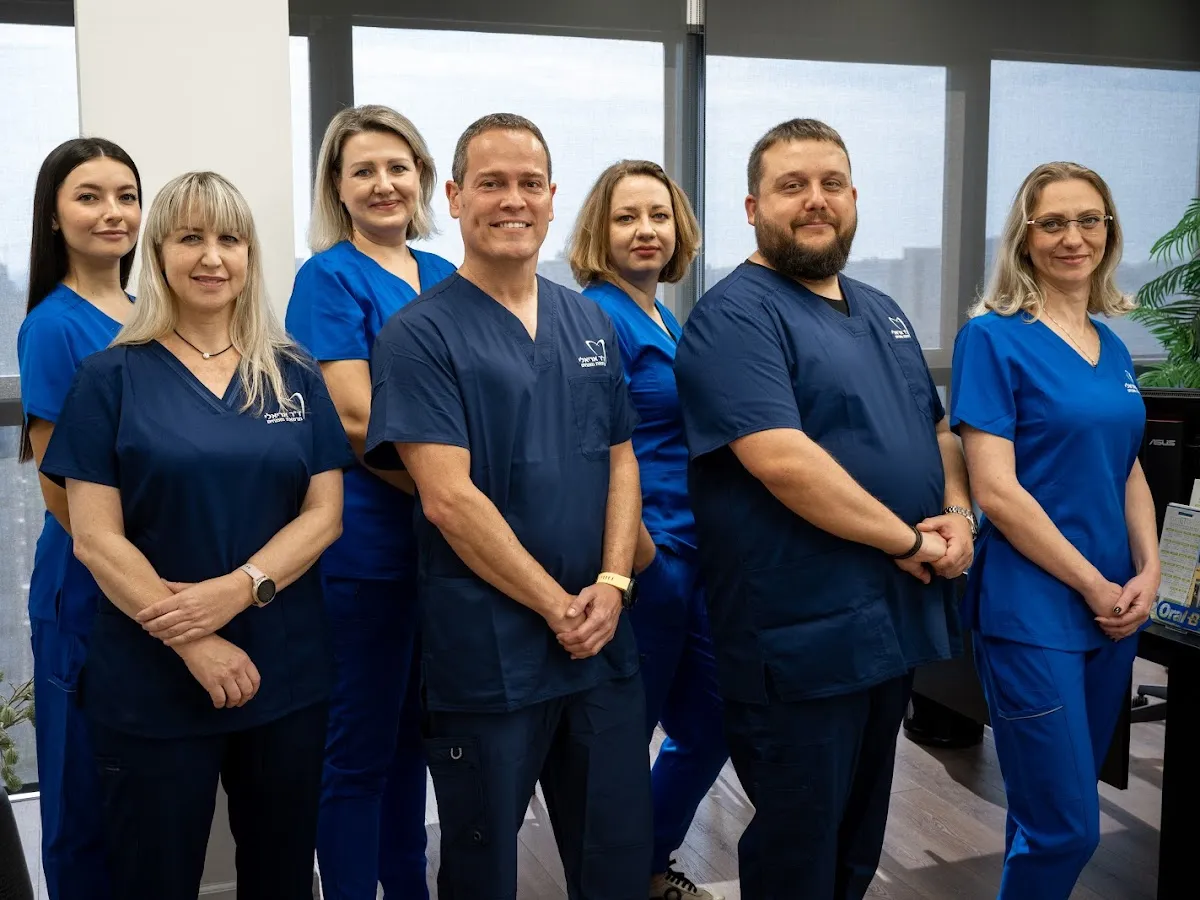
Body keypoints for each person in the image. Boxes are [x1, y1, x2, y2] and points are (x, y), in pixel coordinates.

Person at [673, 118, 972, 900]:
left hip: (887, 623)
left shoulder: (883, 310)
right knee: (799, 846)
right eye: (792, 186)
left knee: (856, 842)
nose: (815, 200)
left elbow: (935, 430)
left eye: (831, 183)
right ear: (752, 207)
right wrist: (910, 539)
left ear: (854, 198)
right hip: (800, 634)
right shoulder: (734, 318)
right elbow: (782, 460)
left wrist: (959, 511)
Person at [40, 171, 354, 899]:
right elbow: (95, 538)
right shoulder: (109, 377)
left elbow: (324, 516)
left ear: (249, 256)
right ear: (158, 253)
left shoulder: (293, 374)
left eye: (229, 239)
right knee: (153, 878)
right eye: (190, 238)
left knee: (282, 876)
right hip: (150, 678)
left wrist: (240, 590)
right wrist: (195, 638)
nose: (212, 257)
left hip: (285, 672)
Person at [364, 113, 652, 900]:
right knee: (483, 866)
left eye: (529, 184)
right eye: (491, 183)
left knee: (617, 857)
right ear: (455, 198)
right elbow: (448, 499)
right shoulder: (418, 335)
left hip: (601, 644)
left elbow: (621, 459)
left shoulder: (589, 319)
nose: (512, 200)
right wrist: (559, 607)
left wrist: (613, 585)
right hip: (491, 655)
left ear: (553, 198)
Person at [949, 161, 1157, 899]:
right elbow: (996, 492)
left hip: (1114, 612)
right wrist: (1096, 584)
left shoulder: (1112, 346)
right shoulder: (992, 339)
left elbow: (1128, 468)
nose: (1074, 238)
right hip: (1033, 611)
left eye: (1089, 220)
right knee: (1068, 827)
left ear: (1109, 232)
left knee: (1043, 813)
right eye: (1054, 223)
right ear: (1025, 237)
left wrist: (1149, 569)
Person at [286, 104, 454, 900]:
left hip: (446, 551)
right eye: (363, 171)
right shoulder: (327, 278)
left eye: (397, 167)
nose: (384, 184)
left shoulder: (447, 276)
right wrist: (463, 495)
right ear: (337, 187)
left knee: (415, 742)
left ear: (422, 177)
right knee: (357, 751)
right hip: (368, 553)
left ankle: (408, 888)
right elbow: (355, 420)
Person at [569, 159, 726, 900]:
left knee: (713, 722)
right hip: (646, 558)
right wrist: (645, 564)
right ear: (599, 230)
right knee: (621, 744)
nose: (645, 230)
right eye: (627, 217)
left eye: (659, 216)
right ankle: (615, 881)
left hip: (696, 554)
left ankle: (647, 862)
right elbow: (595, 458)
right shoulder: (597, 317)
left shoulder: (664, 316)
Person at [16, 136, 142, 900]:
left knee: (141, 805)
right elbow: (60, 491)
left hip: (153, 582)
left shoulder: (151, 312)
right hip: (88, 592)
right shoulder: (53, 326)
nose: (112, 212)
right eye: (89, 197)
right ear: (54, 217)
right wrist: (133, 572)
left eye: (125, 196)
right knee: (81, 804)